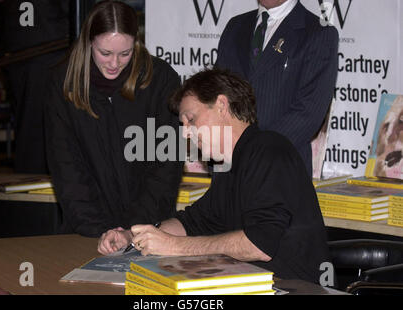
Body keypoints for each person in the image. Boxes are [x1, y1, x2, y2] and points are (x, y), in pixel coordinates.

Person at [98, 68, 332, 284]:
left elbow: (259, 244)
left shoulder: (269, 151)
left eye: (191, 119)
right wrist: (133, 237)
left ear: (221, 105)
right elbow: (193, 222)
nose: (186, 133)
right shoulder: (228, 165)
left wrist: (173, 246)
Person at [44, 1, 183, 238]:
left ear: (136, 44)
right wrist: (99, 230)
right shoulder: (63, 83)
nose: (114, 63)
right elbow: (66, 167)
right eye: (105, 53)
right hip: (86, 231)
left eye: (125, 53)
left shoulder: (161, 80)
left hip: (148, 231)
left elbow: (166, 166)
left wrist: (132, 230)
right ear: (89, 42)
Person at [215, 0, 339, 176]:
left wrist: (251, 151)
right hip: (227, 171)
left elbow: (308, 113)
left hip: (280, 172)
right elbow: (215, 96)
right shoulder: (235, 27)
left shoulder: (319, 33)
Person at [0, 0, 70, 173]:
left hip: (18, 49)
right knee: (46, 124)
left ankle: (29, 172)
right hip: (49, 46)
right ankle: (36, 174)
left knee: (27, 120)